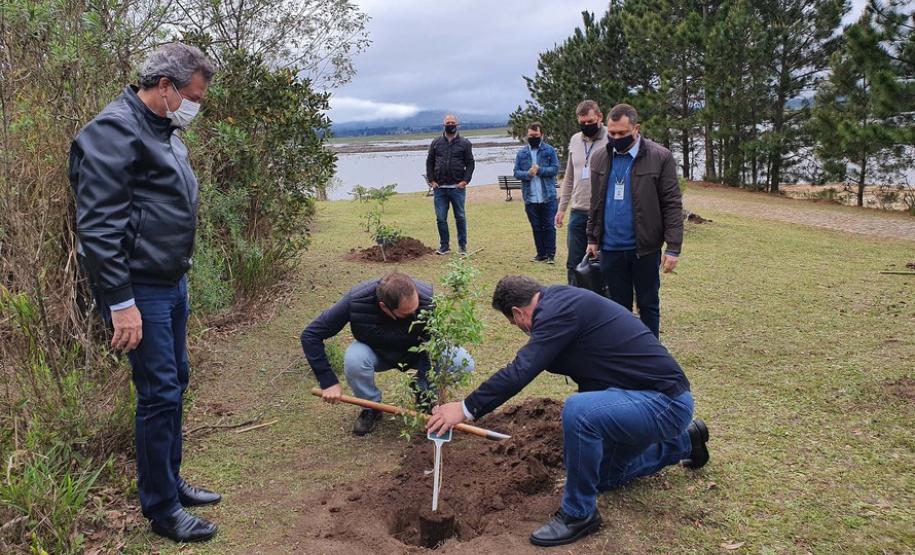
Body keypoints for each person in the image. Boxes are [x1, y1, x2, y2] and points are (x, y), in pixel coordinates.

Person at [427, 275, 709, 548]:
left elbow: (521, 370)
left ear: (517, 313)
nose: (523, 330)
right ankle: (686, 442)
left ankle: (579, 514)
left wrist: (465, 408)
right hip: (639, 399)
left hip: (664, 403)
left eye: (515, 324)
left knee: (579, 412)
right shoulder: (560, 302)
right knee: (602, 477)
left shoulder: (555, 313)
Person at [69, 43, 219, 543]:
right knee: (158, 394)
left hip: (171, 280)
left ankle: (171, 482)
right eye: (192, 97)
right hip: (140, 290)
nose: (195, 107)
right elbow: (98, 228)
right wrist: (120, 302)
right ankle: (161, 509)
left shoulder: (164, 131)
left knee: (176, 381)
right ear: (165, 86)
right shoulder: (114, 130)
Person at [302, 272, 475, 435]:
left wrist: (427, 385)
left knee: (462, 362)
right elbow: (311, 335)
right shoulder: (357, 301)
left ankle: (422, 393)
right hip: (378, 352)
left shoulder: (427, 299)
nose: (415, 314)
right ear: (384, 307)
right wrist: (327, 381)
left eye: (416, 308)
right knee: (354, 358)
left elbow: (437, 343)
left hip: (418, 353)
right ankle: (370, 407)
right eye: (407, 313)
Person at [585, 103, 683, 338]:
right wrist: (592, 237)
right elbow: (595, 202)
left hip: (644, 249)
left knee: (648, 304)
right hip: (610, 248)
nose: (616, 138)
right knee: (617, 308)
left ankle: (651, 352)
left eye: (622, 133)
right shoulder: (599, 158)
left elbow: (671, 203)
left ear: (636, 129)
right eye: (612, 133)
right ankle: (624, 351)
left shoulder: (660, 157)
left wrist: (673, 247)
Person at [555, 100, 609, 284]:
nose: (586, 125)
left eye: (590, 121)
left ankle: (604, 299)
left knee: (602, 264)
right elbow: (569, 177)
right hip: (578, 211)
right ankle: (574, 298)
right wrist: (562, 208)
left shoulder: (611, 138)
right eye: (582, 122)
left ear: (600, 117)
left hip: (603, 212)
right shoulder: (575, 140)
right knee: (574, 263)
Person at [426, 114, 475, 255]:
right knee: (441, 218)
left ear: (457, 125)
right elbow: (429, 162)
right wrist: (432, 180)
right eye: (448, 123)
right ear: (444, 125)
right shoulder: (436, 143)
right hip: (440, 189)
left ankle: (462, 247)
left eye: (453, 122)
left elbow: (470, 164)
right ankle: (444, 246)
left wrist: (465, 181)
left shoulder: (465, 143)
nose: (450, 125)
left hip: (457, 188)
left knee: (460, 217)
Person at [513, 122, 560, 264]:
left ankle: (551, 255)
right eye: (531, 135)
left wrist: (540, 171)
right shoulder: (522, 153)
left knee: (549, 226)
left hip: (548, 196)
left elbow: (555, 169)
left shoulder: (549, 150)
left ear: (542, 135)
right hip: (530, 197)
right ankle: (541, 254)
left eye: (536, 135)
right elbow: (516, 173)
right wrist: (528, 174)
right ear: (527, 135)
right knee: (536, 227)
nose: (533, 138)